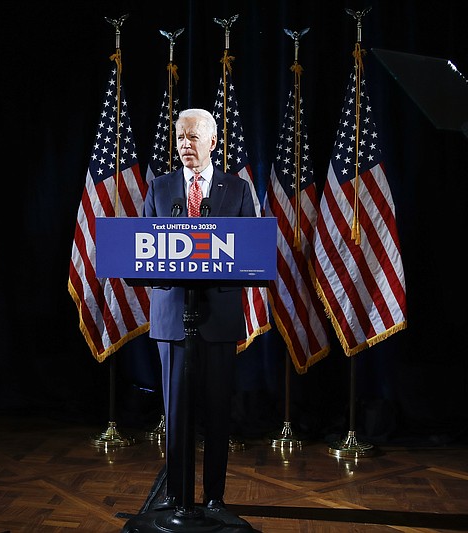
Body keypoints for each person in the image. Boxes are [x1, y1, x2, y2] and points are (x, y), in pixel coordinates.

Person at [143, 108, 256, 511]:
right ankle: (175, 496)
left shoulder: (238, 189)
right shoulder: (159, 187)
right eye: (180, 138)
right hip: (173, 316)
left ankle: (214, 498)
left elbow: (251, 250)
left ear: (212, 142)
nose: (185, 145)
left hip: (219, 317)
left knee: (217, 413)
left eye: (193, 137)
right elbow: (145, 253)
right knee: (175, 414)